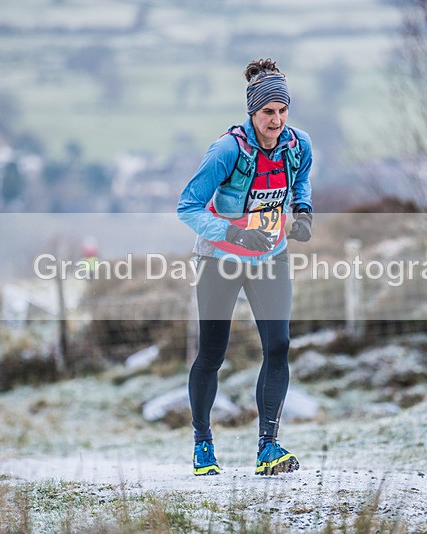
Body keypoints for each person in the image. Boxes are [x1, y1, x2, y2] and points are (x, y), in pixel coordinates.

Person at [176, 58, 313, 476]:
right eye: (268, 111)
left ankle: (268, 447)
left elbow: (300, 181)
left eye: (283, 110)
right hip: (219, 258)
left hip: (270, 256)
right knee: (212, 353)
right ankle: (203, 445)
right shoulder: (226, 151)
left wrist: (303, 212)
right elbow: (188, 206)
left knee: (279, 345)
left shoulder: (298, 145)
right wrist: (235, 234)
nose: (276, 120)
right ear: (252, 112)